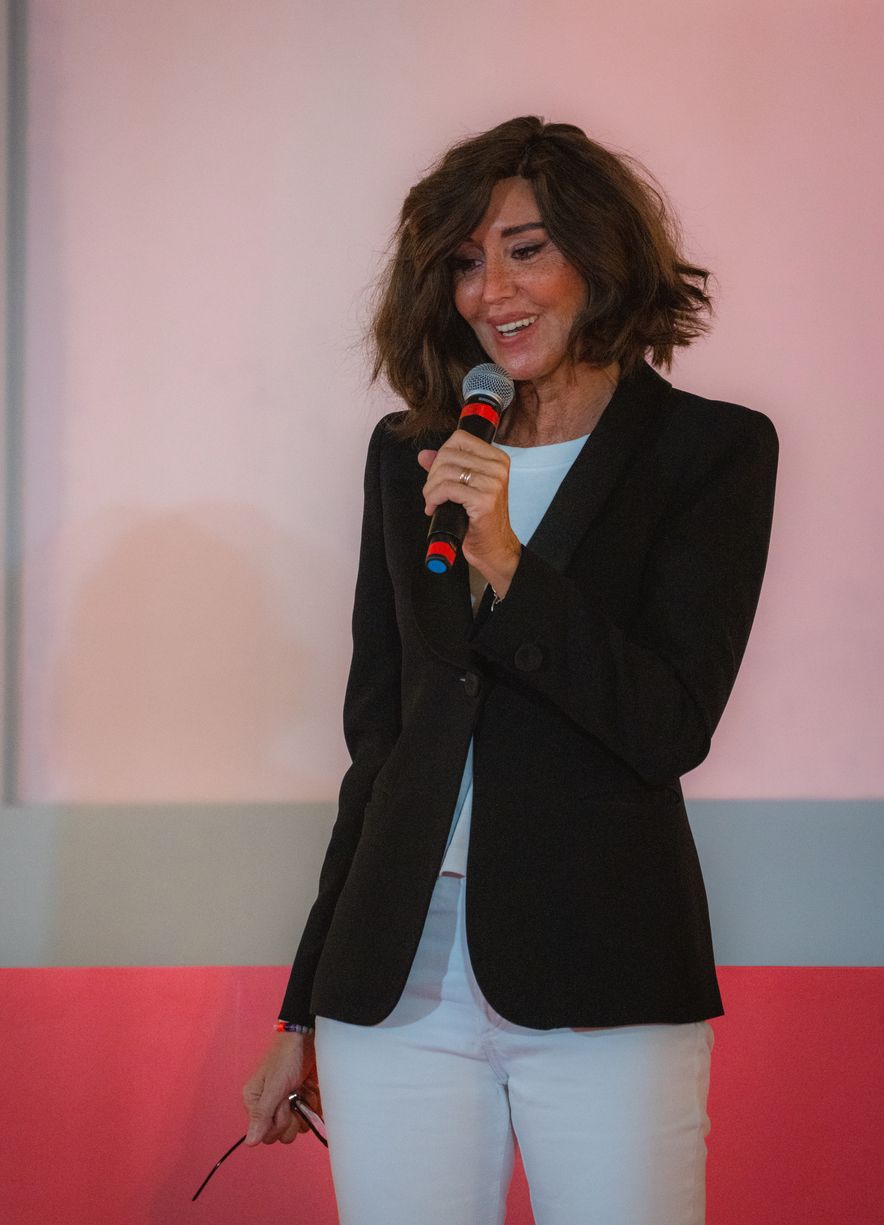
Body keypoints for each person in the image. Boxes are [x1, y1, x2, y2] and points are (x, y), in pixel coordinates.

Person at [242, 116, 778, 1225]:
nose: (491, 290)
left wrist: (508, 562)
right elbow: (380, 748)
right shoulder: (409, 454)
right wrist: (302, 1006)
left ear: (601, 254)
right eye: (463, 262)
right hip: (395, 979)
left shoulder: (712, 451)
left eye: (525, 250)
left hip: (602, 972)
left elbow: (668, 722)